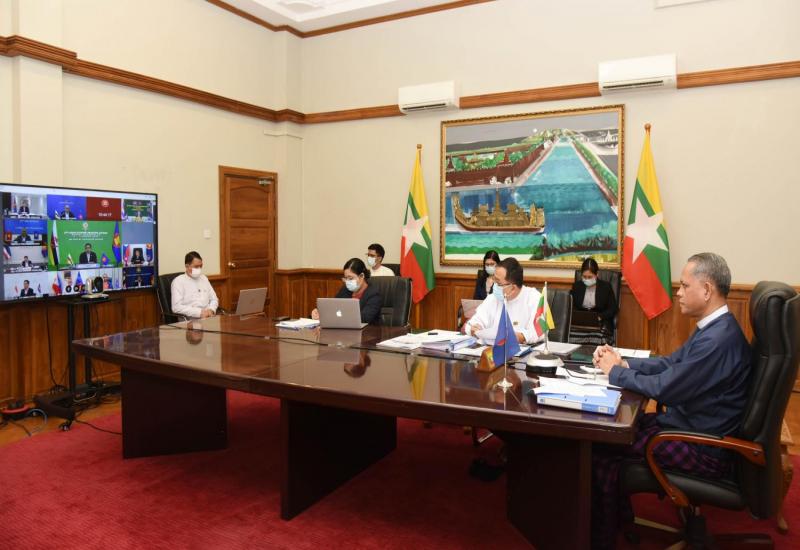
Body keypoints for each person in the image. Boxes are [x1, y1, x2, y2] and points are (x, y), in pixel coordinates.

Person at [590, 253, 751, 549]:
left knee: (602, 444)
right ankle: (617, 521)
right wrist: (625, 363)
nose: (678, 292)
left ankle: (601, 537)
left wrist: (615, 372)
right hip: (690, 427)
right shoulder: (716, 328)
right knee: (612, 433)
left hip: (702, 446)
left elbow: (666, 388)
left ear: (706, 290)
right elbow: (670, 364)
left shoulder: (717, 340)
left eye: (685, 286)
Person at [463, 257, 543, 345]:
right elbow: (472, 323)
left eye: (498, 283)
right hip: (491, 350)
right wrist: (474, 328)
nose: (494, 285)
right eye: (494, 280)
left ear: (513, 288)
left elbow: (540, 332)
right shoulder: (493, 298)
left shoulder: (534, 298)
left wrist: (520, 337)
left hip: (521, 351)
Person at [310, 258, 381, 325]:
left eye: (350, 278)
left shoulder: (374, 294)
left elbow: (365, 318)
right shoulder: (345, 290)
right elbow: (333, 307)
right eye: (346, 278)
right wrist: (320, 313)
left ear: (362, 276)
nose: (347, 282)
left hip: (367, 331)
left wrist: (340, 315)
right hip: (344, 329)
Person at [570, 257, 618, 345]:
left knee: (598, 337)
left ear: (597, 274)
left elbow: (613, 308)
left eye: (590, 277)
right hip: (580, 323)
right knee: (570, 336)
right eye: (584, 277)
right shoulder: (577, 286)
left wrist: (600, 317)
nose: (587, 279)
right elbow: (572, 306)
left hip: (601, 322)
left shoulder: (606, 287)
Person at [171, 251, 219, 320]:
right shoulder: (178, 281)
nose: (199, 269)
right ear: (187, 266)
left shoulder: (204, 278)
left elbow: (214, 299)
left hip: (208, 317)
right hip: (189, 320)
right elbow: (176, 307)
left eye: (201, 266)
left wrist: (211, 309)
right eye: (196, 267)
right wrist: (199, 312)